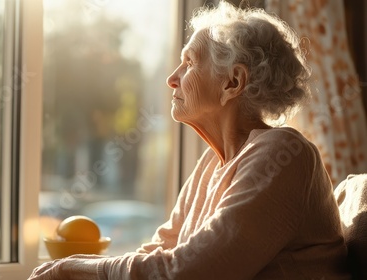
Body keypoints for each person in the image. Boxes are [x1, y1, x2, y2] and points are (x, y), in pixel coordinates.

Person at [28, 1, 351, 279]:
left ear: (233, 82)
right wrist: (78, 268)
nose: (172, 78)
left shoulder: (284, 153)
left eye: (190, 62)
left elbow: (190, 273)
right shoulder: (213, 161)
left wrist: (72, 269)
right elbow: (162, 249)